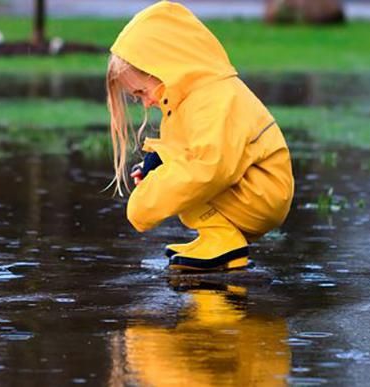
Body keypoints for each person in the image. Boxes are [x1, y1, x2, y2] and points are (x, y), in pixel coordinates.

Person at [105, 1, 294, 271]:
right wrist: (156, 163)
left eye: (141, 93)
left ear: (163, 68)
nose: (146, 103)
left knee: (185, 182)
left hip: (260, 196)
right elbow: (186, 149)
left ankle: (225, 242)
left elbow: (210, 169)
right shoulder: (190, 98)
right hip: (249, 191)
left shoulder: (214, 98)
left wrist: (145, 203)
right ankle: (217, 237)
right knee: (178, 177)